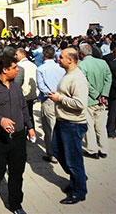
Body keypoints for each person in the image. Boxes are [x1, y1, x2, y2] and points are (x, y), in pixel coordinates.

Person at [0, 55, 36, 214]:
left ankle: (16, 204)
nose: (18, 70)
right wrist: (0, 120)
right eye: (14, 68)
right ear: (4, 70)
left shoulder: (17, 87)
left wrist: (30, 127)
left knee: (17, 172)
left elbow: (24, 108)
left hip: (18, 138)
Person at [48, 48, 89, 205]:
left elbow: (80, 104)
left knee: (73, 159)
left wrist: (59, 98)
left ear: (70, 60)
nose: (59, 59)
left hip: (73, 124)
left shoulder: (77, 78)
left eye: (62, 57)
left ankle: (79, 191)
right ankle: (76, 178)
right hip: (63, 121)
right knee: (57, 150)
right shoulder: (68, 75)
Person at [78, 44, 112, 159]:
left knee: (89, 126)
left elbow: (85, 82)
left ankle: (92, 149)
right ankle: (103, 149)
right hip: (102, 100)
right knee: (101, 126)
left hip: (89, 100)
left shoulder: (82, 65)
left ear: (81, 54)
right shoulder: (102, 62)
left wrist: (96, 95)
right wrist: (104, 94)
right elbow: (109, 78)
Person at [36, 46, 65, 163]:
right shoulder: (61, 68)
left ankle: (52, 153)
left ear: (43, 55)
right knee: (58, 126)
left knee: (49, 128)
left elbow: (41, 86)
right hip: (60, 98)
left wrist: (49, 93)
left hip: (49, 100)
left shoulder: (41, 69)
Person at [15, 47, 39, 130]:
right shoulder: (33, 65)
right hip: (31, 93)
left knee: (23, 114)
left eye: (17, 54)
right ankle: (31, 130)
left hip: (23, 93)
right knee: (30, 112)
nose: (15, 56)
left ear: (22, 54)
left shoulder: (19, 66)